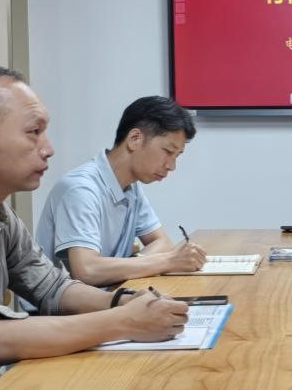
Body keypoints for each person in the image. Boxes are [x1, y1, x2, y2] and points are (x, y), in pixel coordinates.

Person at [0, 67, 188, 389]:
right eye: (34, 132)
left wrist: (122, 302)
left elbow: (51, 285)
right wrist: (122, 321)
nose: (48, 148)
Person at [35, 95, 205, 287]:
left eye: (177, 156)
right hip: (63, 304)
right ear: (134, 139)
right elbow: (87, 270)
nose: (171, 166)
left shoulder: (131, 188)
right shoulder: (80, 189)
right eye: (168, 151)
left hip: (106, 296)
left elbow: (163, 243)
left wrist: (135, 264)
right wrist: (167, 262)